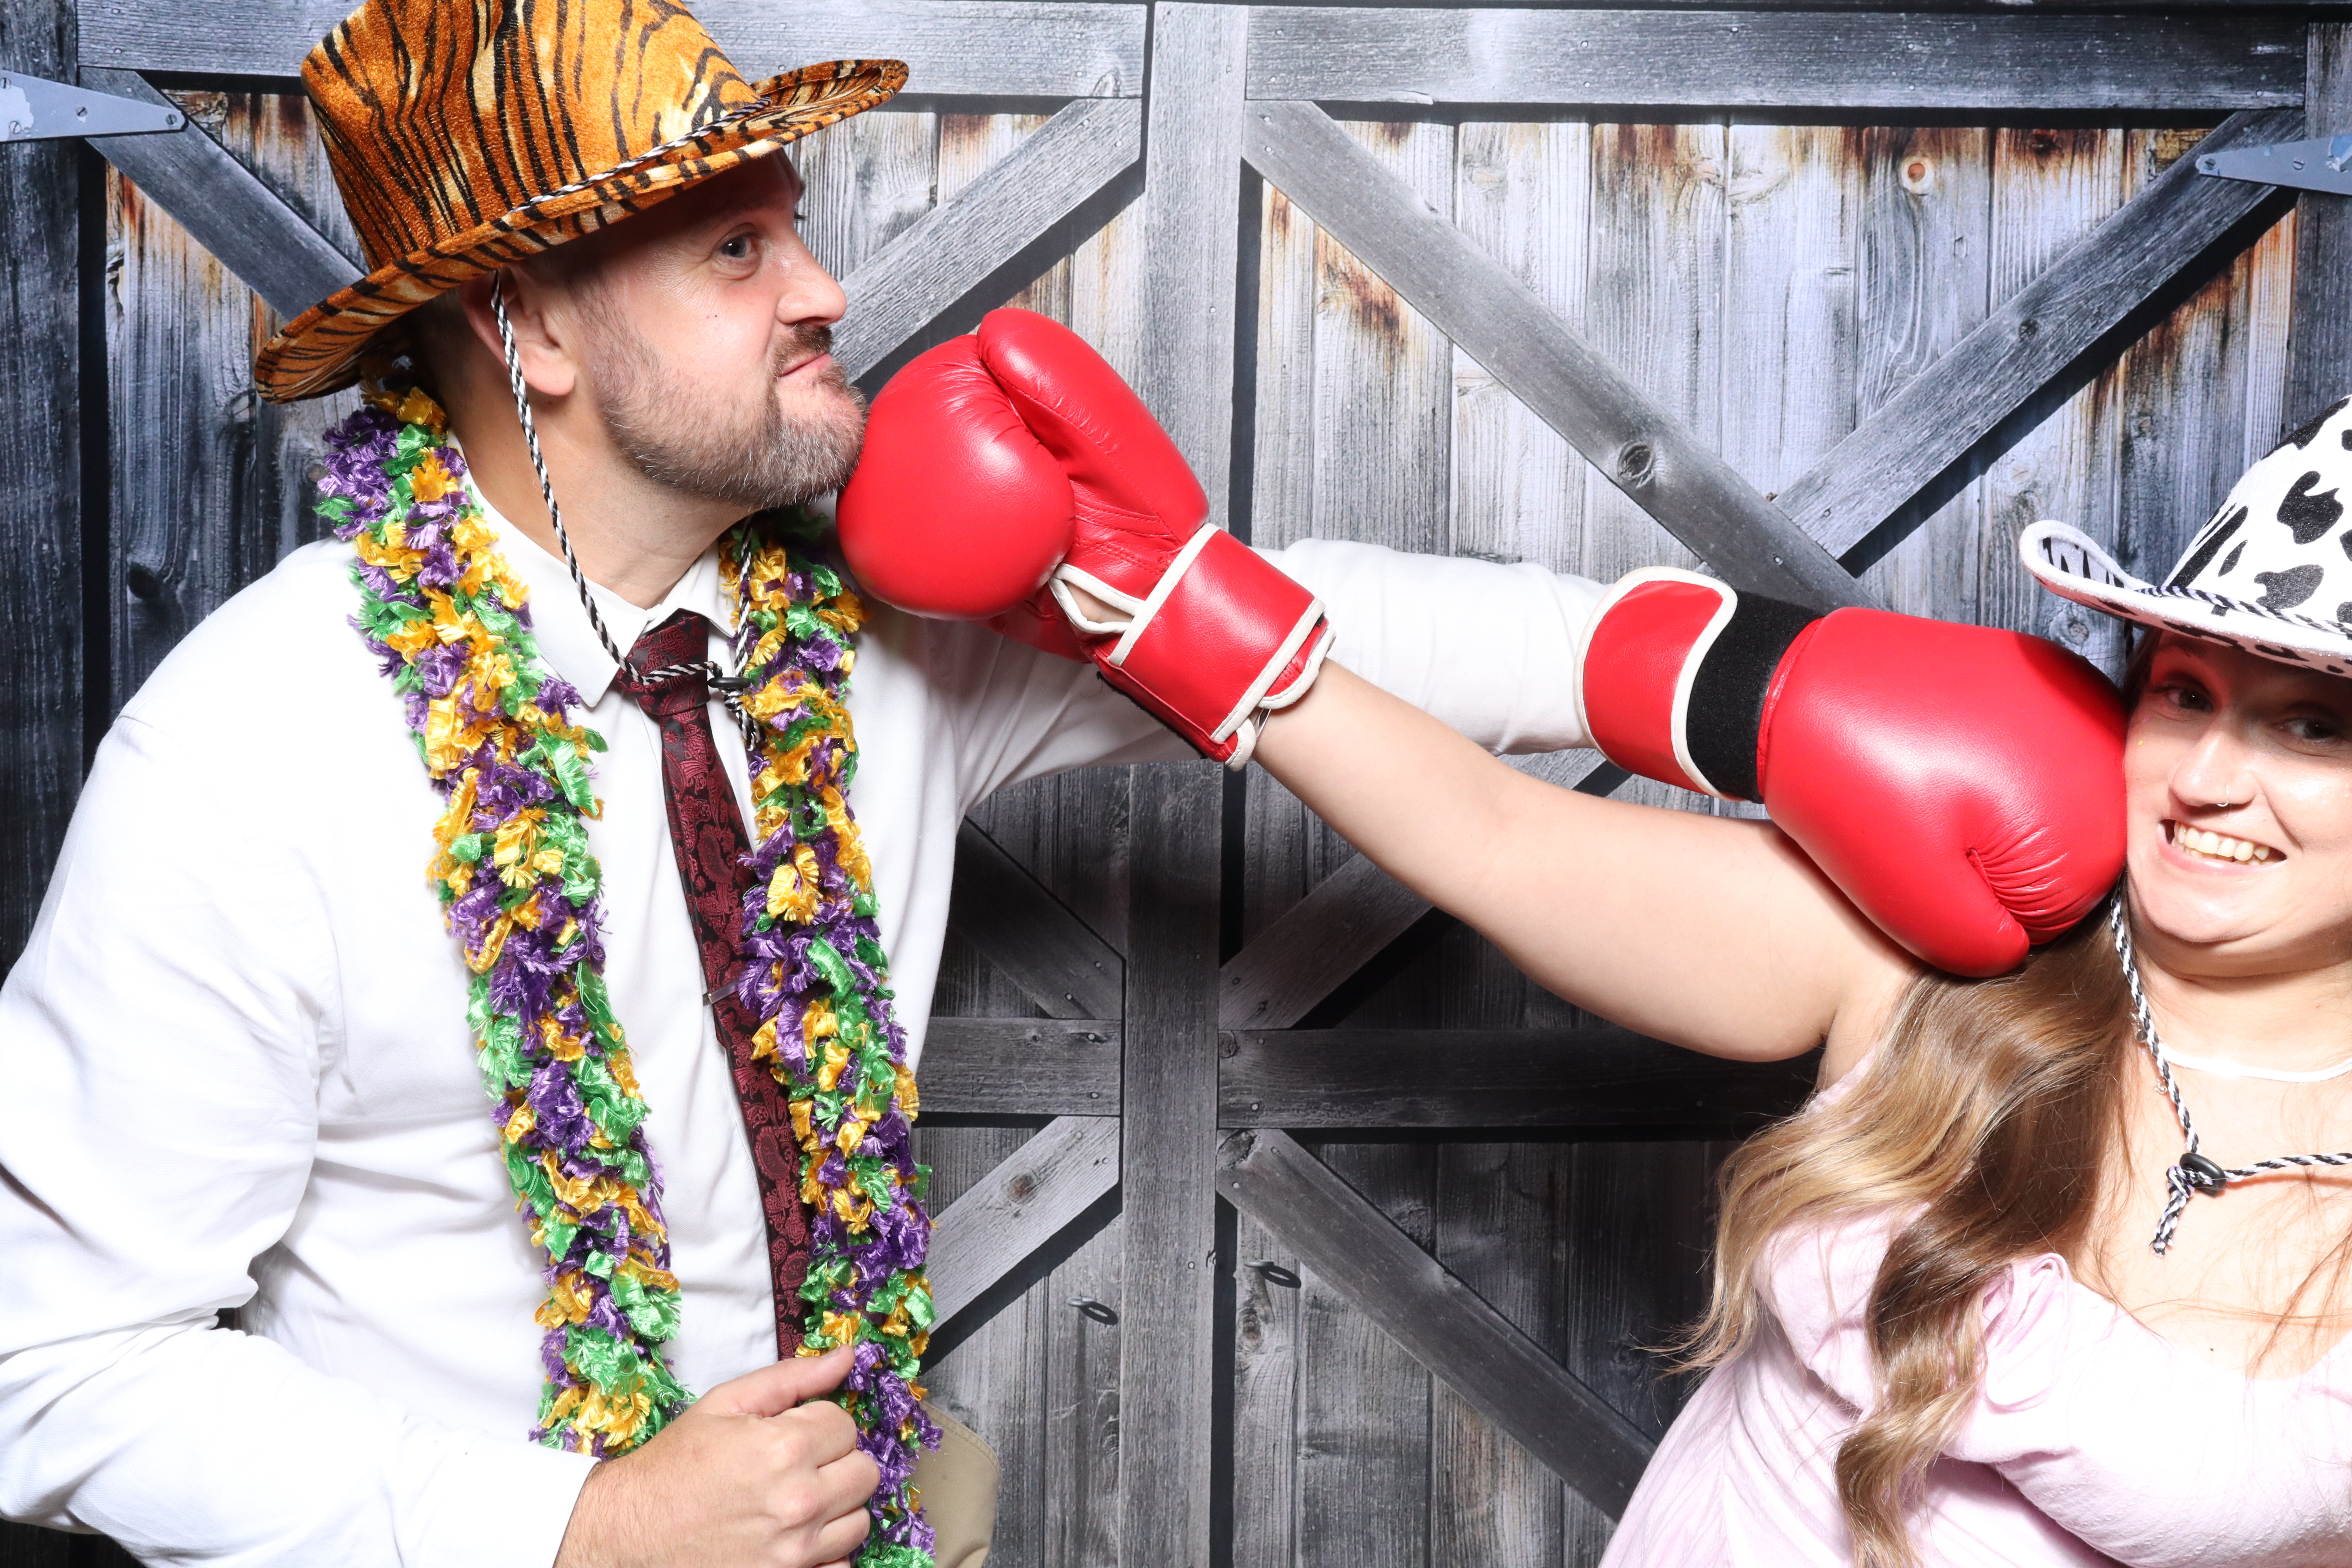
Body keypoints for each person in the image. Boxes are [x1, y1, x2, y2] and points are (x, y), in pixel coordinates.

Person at [0, 9, 2127, 1568]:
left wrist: (1725, 676)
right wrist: (568, 1527)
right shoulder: (255, 758)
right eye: (733, 256)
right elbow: (53, 1370)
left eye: (791, 229)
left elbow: (1293, 625)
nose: (828, 286)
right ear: (533, 323)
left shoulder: (853, 649)